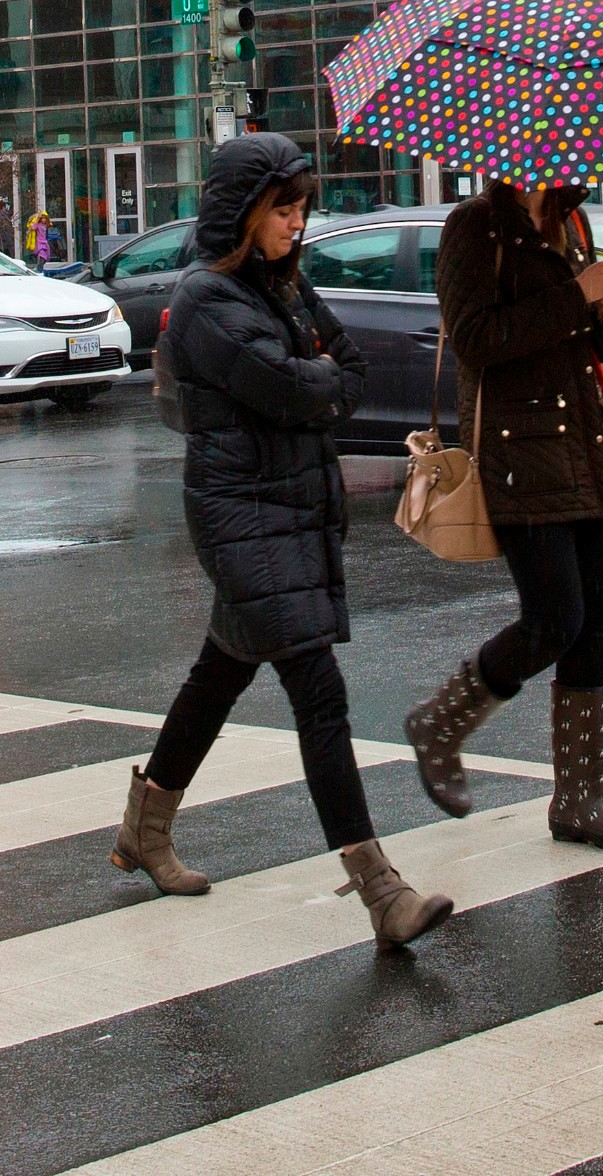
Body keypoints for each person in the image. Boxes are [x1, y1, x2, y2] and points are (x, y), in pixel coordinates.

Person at [111, 133, 453, 949]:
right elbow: (294, 388)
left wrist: (317, 379)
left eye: (301, 209)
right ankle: (382, 891)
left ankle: (143, 829)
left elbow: (351, 371)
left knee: (218, 677)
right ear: (244, 213)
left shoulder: (283, 289)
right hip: (241, 515)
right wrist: (316, 380)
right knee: (319, 692)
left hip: (290, 507)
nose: (297, 225)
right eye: (283, 210)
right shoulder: (208, 301)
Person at [403, 178, 603, 854]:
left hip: (589, 448)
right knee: (555, 620)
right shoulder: (475, 227)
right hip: (520, 452)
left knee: (595, 623)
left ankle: (580, 798)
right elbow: (478, 339)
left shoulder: (572, 221)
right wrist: (578, 295)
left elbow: (585, 347)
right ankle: (441, 723)